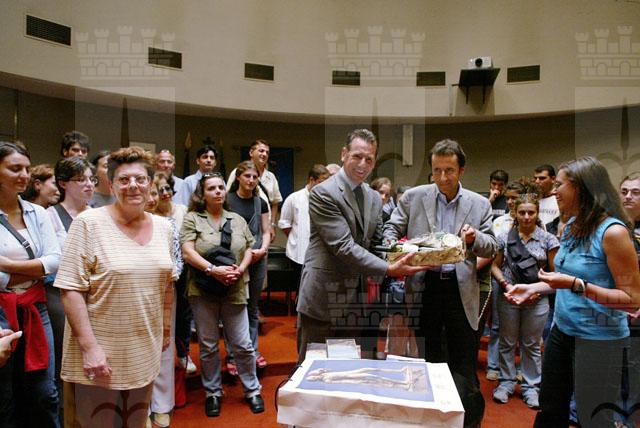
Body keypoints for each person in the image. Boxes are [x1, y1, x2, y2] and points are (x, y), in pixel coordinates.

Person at [506, 156, 640, 427]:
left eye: (560, 185)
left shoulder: (613, 233)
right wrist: (533, 287)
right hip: (562, 332)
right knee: (550, 410)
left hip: (599, 340)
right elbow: (564, 278)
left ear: (581, 188)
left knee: (593, 418)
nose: (554, 191)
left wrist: (577, 285)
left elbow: (631, 300)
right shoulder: (571, 226)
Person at [54, 147, 176, 428]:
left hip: (142, 351)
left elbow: (167, 284)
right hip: (100, 357)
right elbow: (70, 290)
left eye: (140, 179)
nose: (133, 185)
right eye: (124, 179)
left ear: (150, 183)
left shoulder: (164, 228)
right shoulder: (88, 223)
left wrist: (164, 331)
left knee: (135, 422)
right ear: (111, 184)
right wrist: (90, 349)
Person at [296, 129, 429, 363]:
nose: (362, 164)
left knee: (347, 369)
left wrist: (408, 252)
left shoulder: (373, 197)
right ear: (343, 154)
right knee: (312, 369)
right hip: (323, 296)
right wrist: (389, 269)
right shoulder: (323, 192)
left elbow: (376, 243)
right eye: (357, 156)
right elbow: (343, 246)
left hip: (355, 300)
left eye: (369, 159)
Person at [382, 138, 497, 388]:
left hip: (460, 288)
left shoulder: (479, 203)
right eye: (437, 170)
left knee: (463, 358)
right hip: (425, 286)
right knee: (428, 355)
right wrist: (395, 248)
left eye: (449, 170)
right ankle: (432, 403)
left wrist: (474, 238)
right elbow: (391, 228)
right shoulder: (413, 197)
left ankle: (463, 406)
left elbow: (492, 246)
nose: (443, 177)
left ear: (461, 170)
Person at [180, 172, 263, 417]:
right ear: (202, 194)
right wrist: (212, 270)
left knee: (243, 345)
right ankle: (213, 393)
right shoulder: (193, 218)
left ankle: (252, 390)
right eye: (211, 188)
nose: (218, 191)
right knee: (208, 346)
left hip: (234, 287)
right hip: (203, 290)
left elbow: (248, 249)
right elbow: (187, 252)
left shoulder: (236, 219)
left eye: (220, 187)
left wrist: (241, 269)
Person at [0, 141, 61, 427]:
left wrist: (6, 265)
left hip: (36, 308)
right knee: (5, 397)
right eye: (15, 168)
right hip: (2, 312)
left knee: (44, 393)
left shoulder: (38, 213)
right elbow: (42, 266)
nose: (24, 175)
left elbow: (54, 261)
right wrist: (35, 270)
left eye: (26, 168)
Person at [491, 190, 559, 408]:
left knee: (531, 344)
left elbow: (554, 273)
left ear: (537, 213)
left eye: (531, 212)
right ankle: (506, 383)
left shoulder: (548, 239)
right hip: (509, 295)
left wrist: (538, 290)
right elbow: (495, 265)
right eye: (522, 212)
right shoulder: (504, 237)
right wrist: (505, 284)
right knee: (507, 342)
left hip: (537, 299)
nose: (527, 217)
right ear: (515, 213)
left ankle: (531, 387)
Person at [46, 156, 95, 420]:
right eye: (81, 179)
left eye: (91, 179)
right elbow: (55, 259)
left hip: (96, 295)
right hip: (60, 295)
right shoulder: (50, 215)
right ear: (63, 183)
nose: (89, 184)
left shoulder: (98, 214)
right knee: (65, 360)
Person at [144, 172, 185, 427]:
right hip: (134, 294)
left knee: (164, 347)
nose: (152, 198)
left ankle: (161, 405)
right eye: (149, 193)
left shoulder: (167, 225)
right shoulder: (123, 223)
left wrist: (168, 275)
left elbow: (177, 260)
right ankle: (142, 406)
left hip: (165, 290)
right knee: (139, 348)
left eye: (155, 193)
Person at [226, 161, 271, 370]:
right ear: (238, 177)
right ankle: (233, 355)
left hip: (257, 258)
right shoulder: (227, 200)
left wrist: (263, 250)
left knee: (252, 307)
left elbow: (266, 231)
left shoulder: (260, 202)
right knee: (234, 307)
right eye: (247, 176)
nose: (251, 180)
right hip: (234, 260)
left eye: (254, 177)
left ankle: (252, 351)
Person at [486, 180, 525, 381]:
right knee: (497, 325)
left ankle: (520, 369)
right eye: (508, 198)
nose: (510, 202)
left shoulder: (532, 221)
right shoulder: (499, 222)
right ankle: (493, 365)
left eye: (514, 198)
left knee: (523, 328)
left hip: (525, 281)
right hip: (500, 277)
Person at [278, 164, 330, 294]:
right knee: (300, 289)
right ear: (311, 180)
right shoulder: (294, 198)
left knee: (318, 289)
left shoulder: (327, 200)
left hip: (320, 252)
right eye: (321, 182)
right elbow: (284, 224)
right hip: (298, 253)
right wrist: (298, 238)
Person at [227, 140, 283, 240]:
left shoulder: (271, 177)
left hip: (263, 225)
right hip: (239, 225)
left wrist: (272, 225)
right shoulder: (237, 172)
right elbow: (228, 197)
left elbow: (275, 202)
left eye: (267, 152)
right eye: (261, 151)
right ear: (251, 152)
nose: (264, 154)